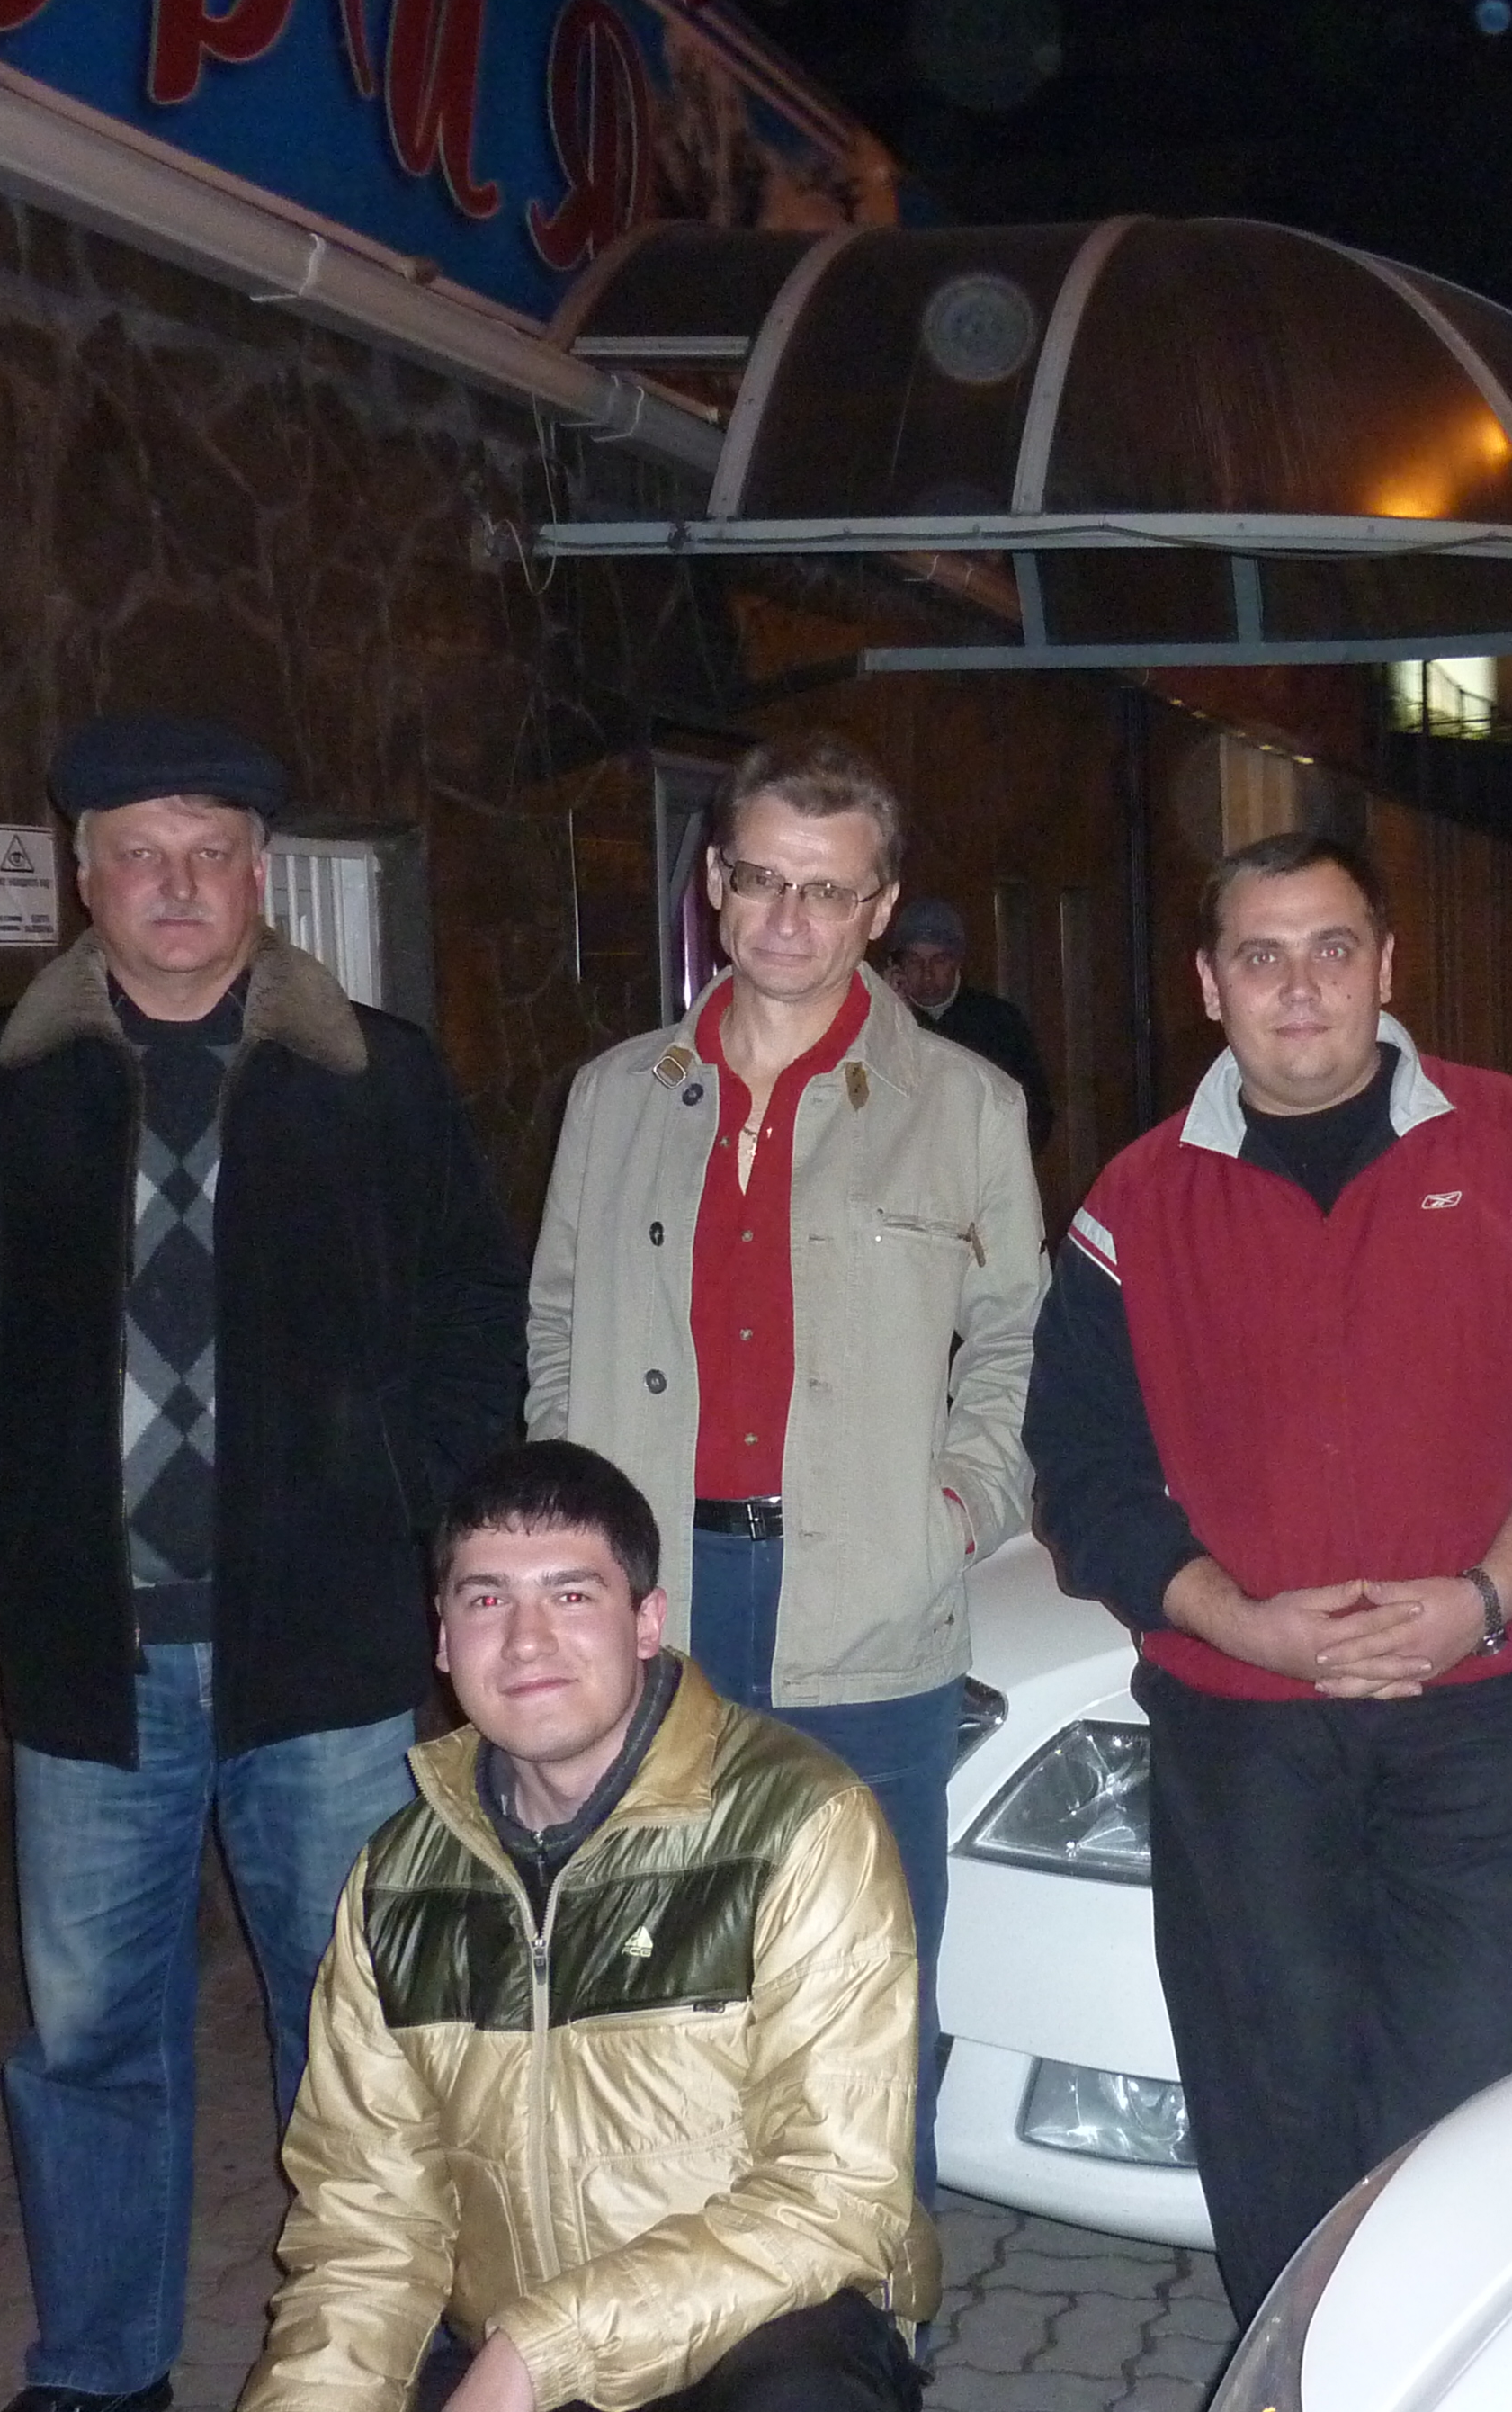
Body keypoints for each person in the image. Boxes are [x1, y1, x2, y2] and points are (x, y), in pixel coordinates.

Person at [0, 715, 526, 2412]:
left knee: (360, 2024)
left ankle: (389, 2335)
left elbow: (472, 1314)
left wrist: (418, 1520)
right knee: (90, 2042)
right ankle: (99, 2367)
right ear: (86, 877)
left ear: (259, 875)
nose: (178, 885)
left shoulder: (376, 1079)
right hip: (92, 1659)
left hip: (331, 1652)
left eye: (210, 853)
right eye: (140, 854)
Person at [1023, 830, 1512, 2320]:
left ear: (1386, 965)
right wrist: (1242, 1624)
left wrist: (1483, 1599)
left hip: (1485, 1728)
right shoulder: (1136, 1202)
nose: (1300, 986)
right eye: (1260, 956)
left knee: (1455, 2108)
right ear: (1209, 985)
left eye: (1331, 948)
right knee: (1273, 2114)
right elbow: (1087, 1476)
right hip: (1243, 1741)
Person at [527, 733, 1042, 2201]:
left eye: (826, 891)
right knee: (651, 1991)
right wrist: (575, 1531)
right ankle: (672, 2296)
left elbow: (1016, 1332)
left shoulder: (965, 1106)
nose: (787, 919)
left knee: (862, 1991)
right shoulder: (617, 1095)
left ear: (878, 906)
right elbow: (556, 1318)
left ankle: (871, 2307)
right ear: (714, 883)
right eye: (760, 881)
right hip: (652, 1606)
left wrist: (958, 1507)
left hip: (867, 1594)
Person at [240, 1439, 929, 2412]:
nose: (526, 1641)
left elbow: (834, 2196)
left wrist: (540, 2351)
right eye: (486, 1600)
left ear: (646, 1621)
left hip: (755, 2331)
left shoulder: (799, 1823)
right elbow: (365, 2231)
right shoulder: (398, 1881)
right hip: (512, 2355)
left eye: (570, 1595)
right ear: (442, 1639)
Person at [883, 894, 1055, 1149]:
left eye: (939, 960)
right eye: (914, 961)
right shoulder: (882, 1022)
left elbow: (1036, 1115)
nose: (927, 973)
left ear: (957, 961)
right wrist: (891, 1013)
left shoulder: (999, 1022)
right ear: (896, 966)